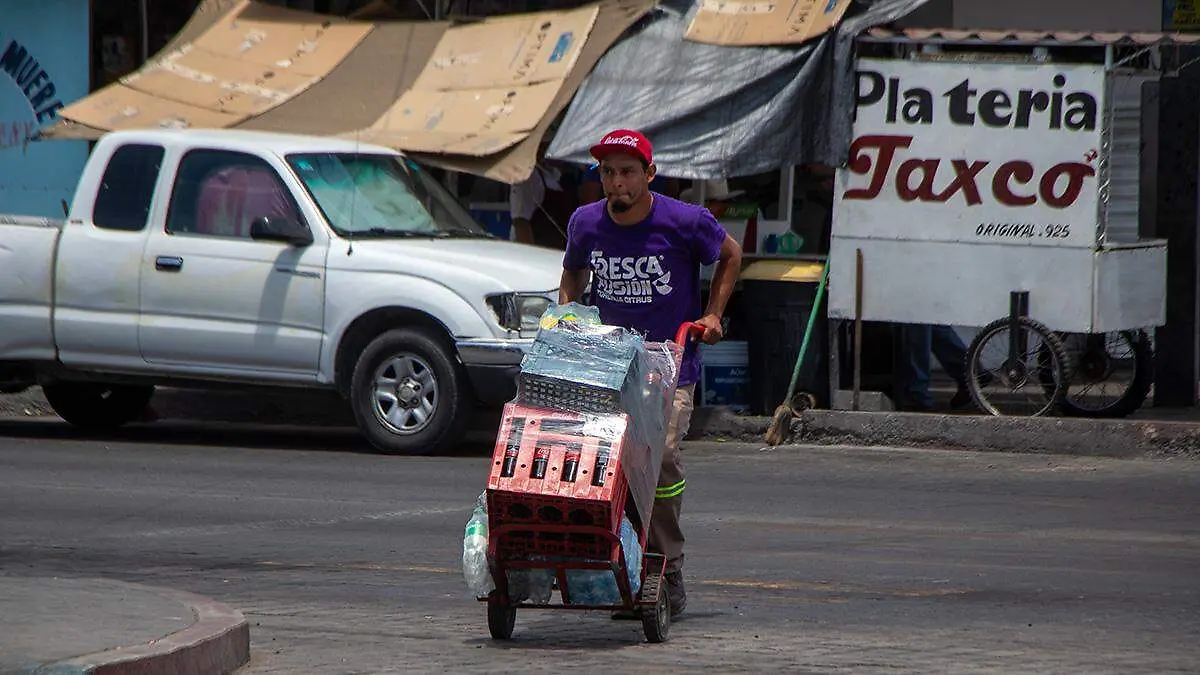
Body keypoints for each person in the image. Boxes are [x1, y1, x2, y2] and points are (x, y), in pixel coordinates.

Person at [558, 129, 743, 619]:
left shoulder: (685, 221)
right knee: (603, 459)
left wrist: (713, 314)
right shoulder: (586, 223)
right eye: (608, 173)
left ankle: (669, 565)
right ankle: (621, 561)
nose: (616, 183)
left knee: (657, 459)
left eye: (626, 173)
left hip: (670, 365)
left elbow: (731, 254)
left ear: (649, 175)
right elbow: (573, 272)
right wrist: (569, 316)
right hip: (608, 364)